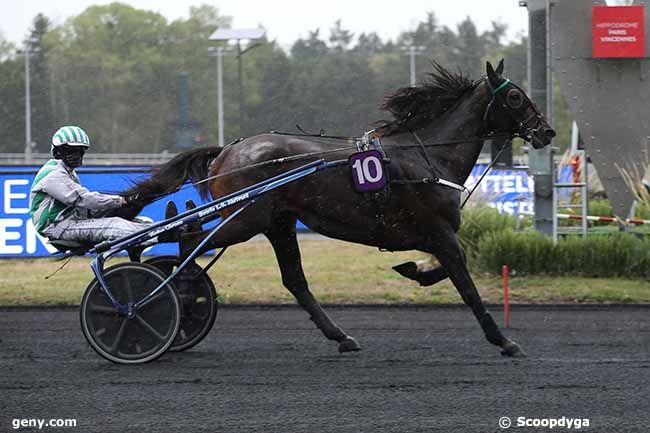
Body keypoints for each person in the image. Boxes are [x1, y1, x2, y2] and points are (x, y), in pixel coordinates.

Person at [29, 125, 151, 246]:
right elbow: (84, 199)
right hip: (56, 227)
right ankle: (156, 236)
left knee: (132, 219)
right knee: (112, 224)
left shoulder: (69, 173)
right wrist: (121, 200)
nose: (76, 155)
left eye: (79, 151)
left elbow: (84, 208)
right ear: (57, 152)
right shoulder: (52, 174)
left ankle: (153, 229)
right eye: (70, 151)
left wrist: (121, 204)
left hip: (72, 220)